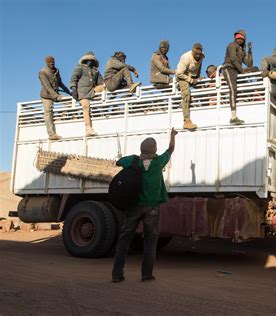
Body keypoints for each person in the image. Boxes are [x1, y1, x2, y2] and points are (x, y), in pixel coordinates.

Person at [112, 128, 178, 283]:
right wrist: (172, 136)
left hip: (134, 207)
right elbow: (170, 150)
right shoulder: (159, 161)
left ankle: (117, 274)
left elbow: (118, 162)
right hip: (152, 208)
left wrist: (124, 160)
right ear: (155, 150)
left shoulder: (133, 161)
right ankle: (147, 274)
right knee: (150, 241)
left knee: (124, 239)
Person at [222, 29, 259, 125]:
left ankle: (258, 89)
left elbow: (249, 64)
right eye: (237, 37)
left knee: (255, 68)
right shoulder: (231, 45)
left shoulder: (242, 50)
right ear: (235, 38)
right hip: (229, 69)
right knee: (233, 90)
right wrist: (242, 71)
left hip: (237, 70)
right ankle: (233, 117)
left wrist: (250, 51)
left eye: (241, 38)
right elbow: (233, 59)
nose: (239, 40)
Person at [70, 51, 104, 137]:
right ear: (85, 60)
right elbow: (74, 79)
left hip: (92, 91)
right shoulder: (79, 68)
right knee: (85, 107)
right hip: (82, 92)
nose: (90, 62)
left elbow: (101, 82)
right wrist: (74, 89)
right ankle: (88, 128)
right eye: (88, 60)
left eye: (92, 60)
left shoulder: (95, 71)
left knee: (105, 87)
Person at [38, 56, 71, 140]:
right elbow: (47, 86)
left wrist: (68, 92)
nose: (52, 64)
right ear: (46, 63)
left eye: (53, 62)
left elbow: (60, 83)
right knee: (48, 112)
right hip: (47, 95)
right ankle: (51, 134)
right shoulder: (42, 72)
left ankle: (63, 117)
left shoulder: (56, 71)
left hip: (56, 94)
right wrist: (56, 96)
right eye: (50, 63)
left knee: (70, 102)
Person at [175, 43, 205, 130]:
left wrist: (198, 76)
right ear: (192, 52)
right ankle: (186, 121)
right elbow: (178, 73)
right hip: (182, 76)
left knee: (203, 86)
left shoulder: (202, 57)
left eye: (200, 54)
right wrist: (191, 80)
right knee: (186, 94)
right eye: (196, 54)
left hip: (193, 75)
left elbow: (199, 67)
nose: (198, 56)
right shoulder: (186, 58)